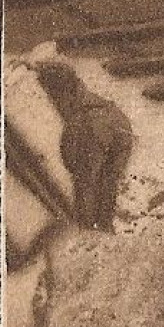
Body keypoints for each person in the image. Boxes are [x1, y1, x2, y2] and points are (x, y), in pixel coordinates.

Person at [35, 61, 133, 231]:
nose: (51, 100)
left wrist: (84, 226)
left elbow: (85, 179)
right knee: (105, 182)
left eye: (51, 94)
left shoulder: (84, 120)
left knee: (89, 184)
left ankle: (91, 230)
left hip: (99, 133)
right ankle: (101, 227)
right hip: (114, 132)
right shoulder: (90, 102)